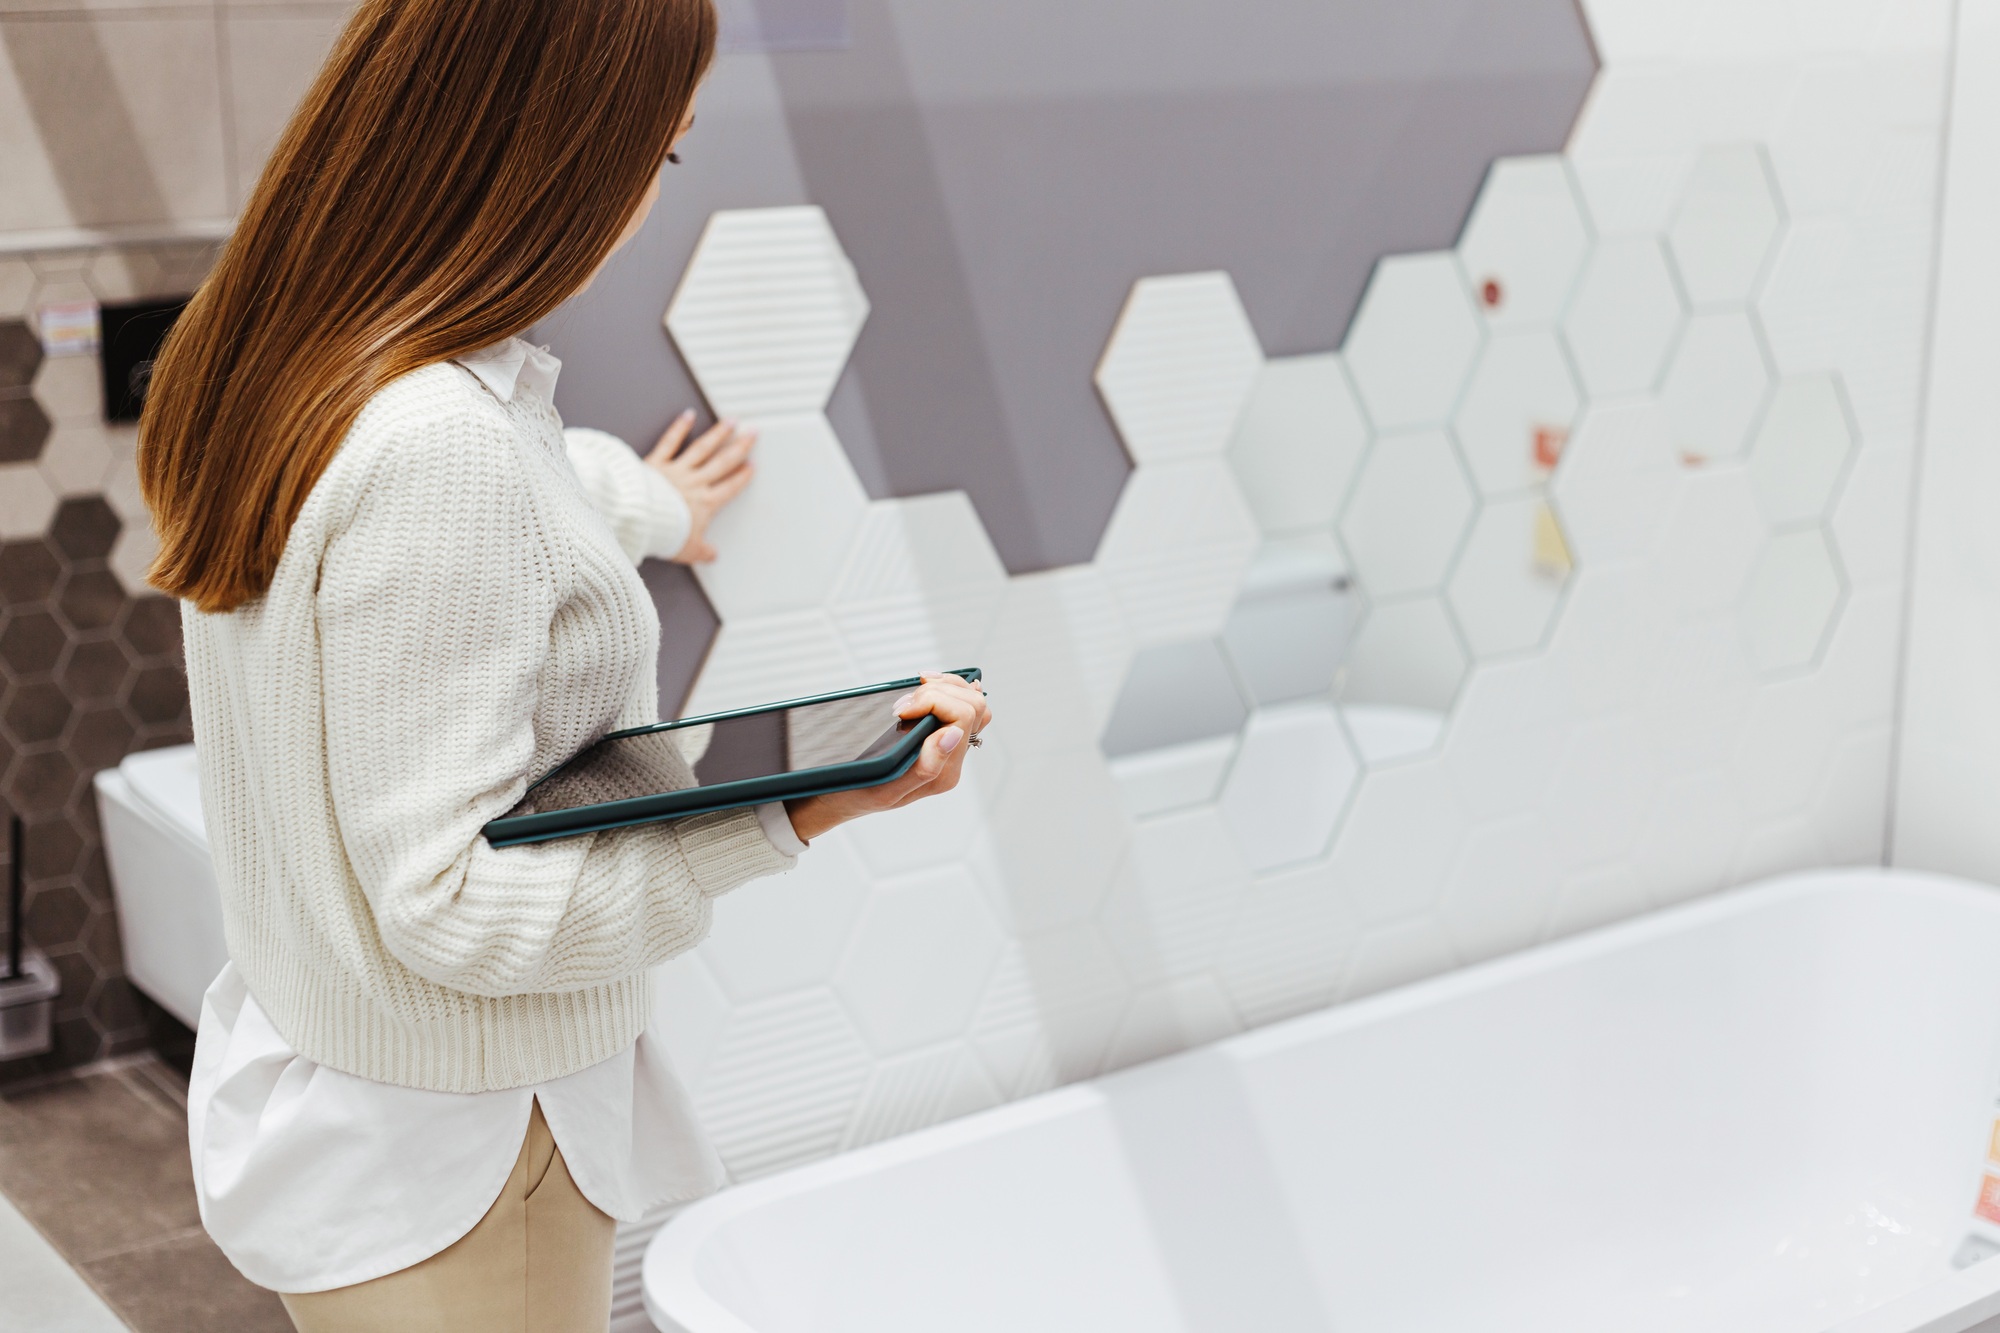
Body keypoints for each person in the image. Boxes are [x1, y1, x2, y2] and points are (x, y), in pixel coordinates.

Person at [135, 0, 993, 1326]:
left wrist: (642, 504)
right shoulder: (443, 454)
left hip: (345, 1104)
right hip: (470, 1158)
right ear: (555, 156)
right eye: (660, 158)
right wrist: (803, 806)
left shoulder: (270, 370)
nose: (646, 198)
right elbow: (456, 907)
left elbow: (474, 517)